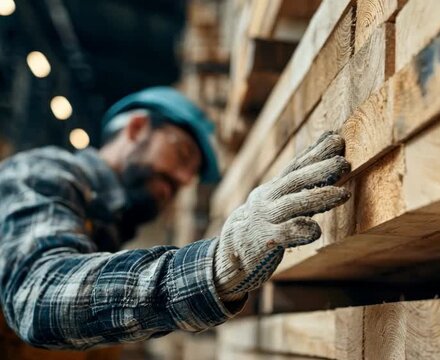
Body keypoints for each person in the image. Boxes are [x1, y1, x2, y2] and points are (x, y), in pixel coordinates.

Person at [0, 87, 351, 350]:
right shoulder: (40, 173)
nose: (184, 180)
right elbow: (38, 297)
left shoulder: (107, 224)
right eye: (182, 154)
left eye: (192, 174)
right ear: (137, 128)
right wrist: (218, 265)